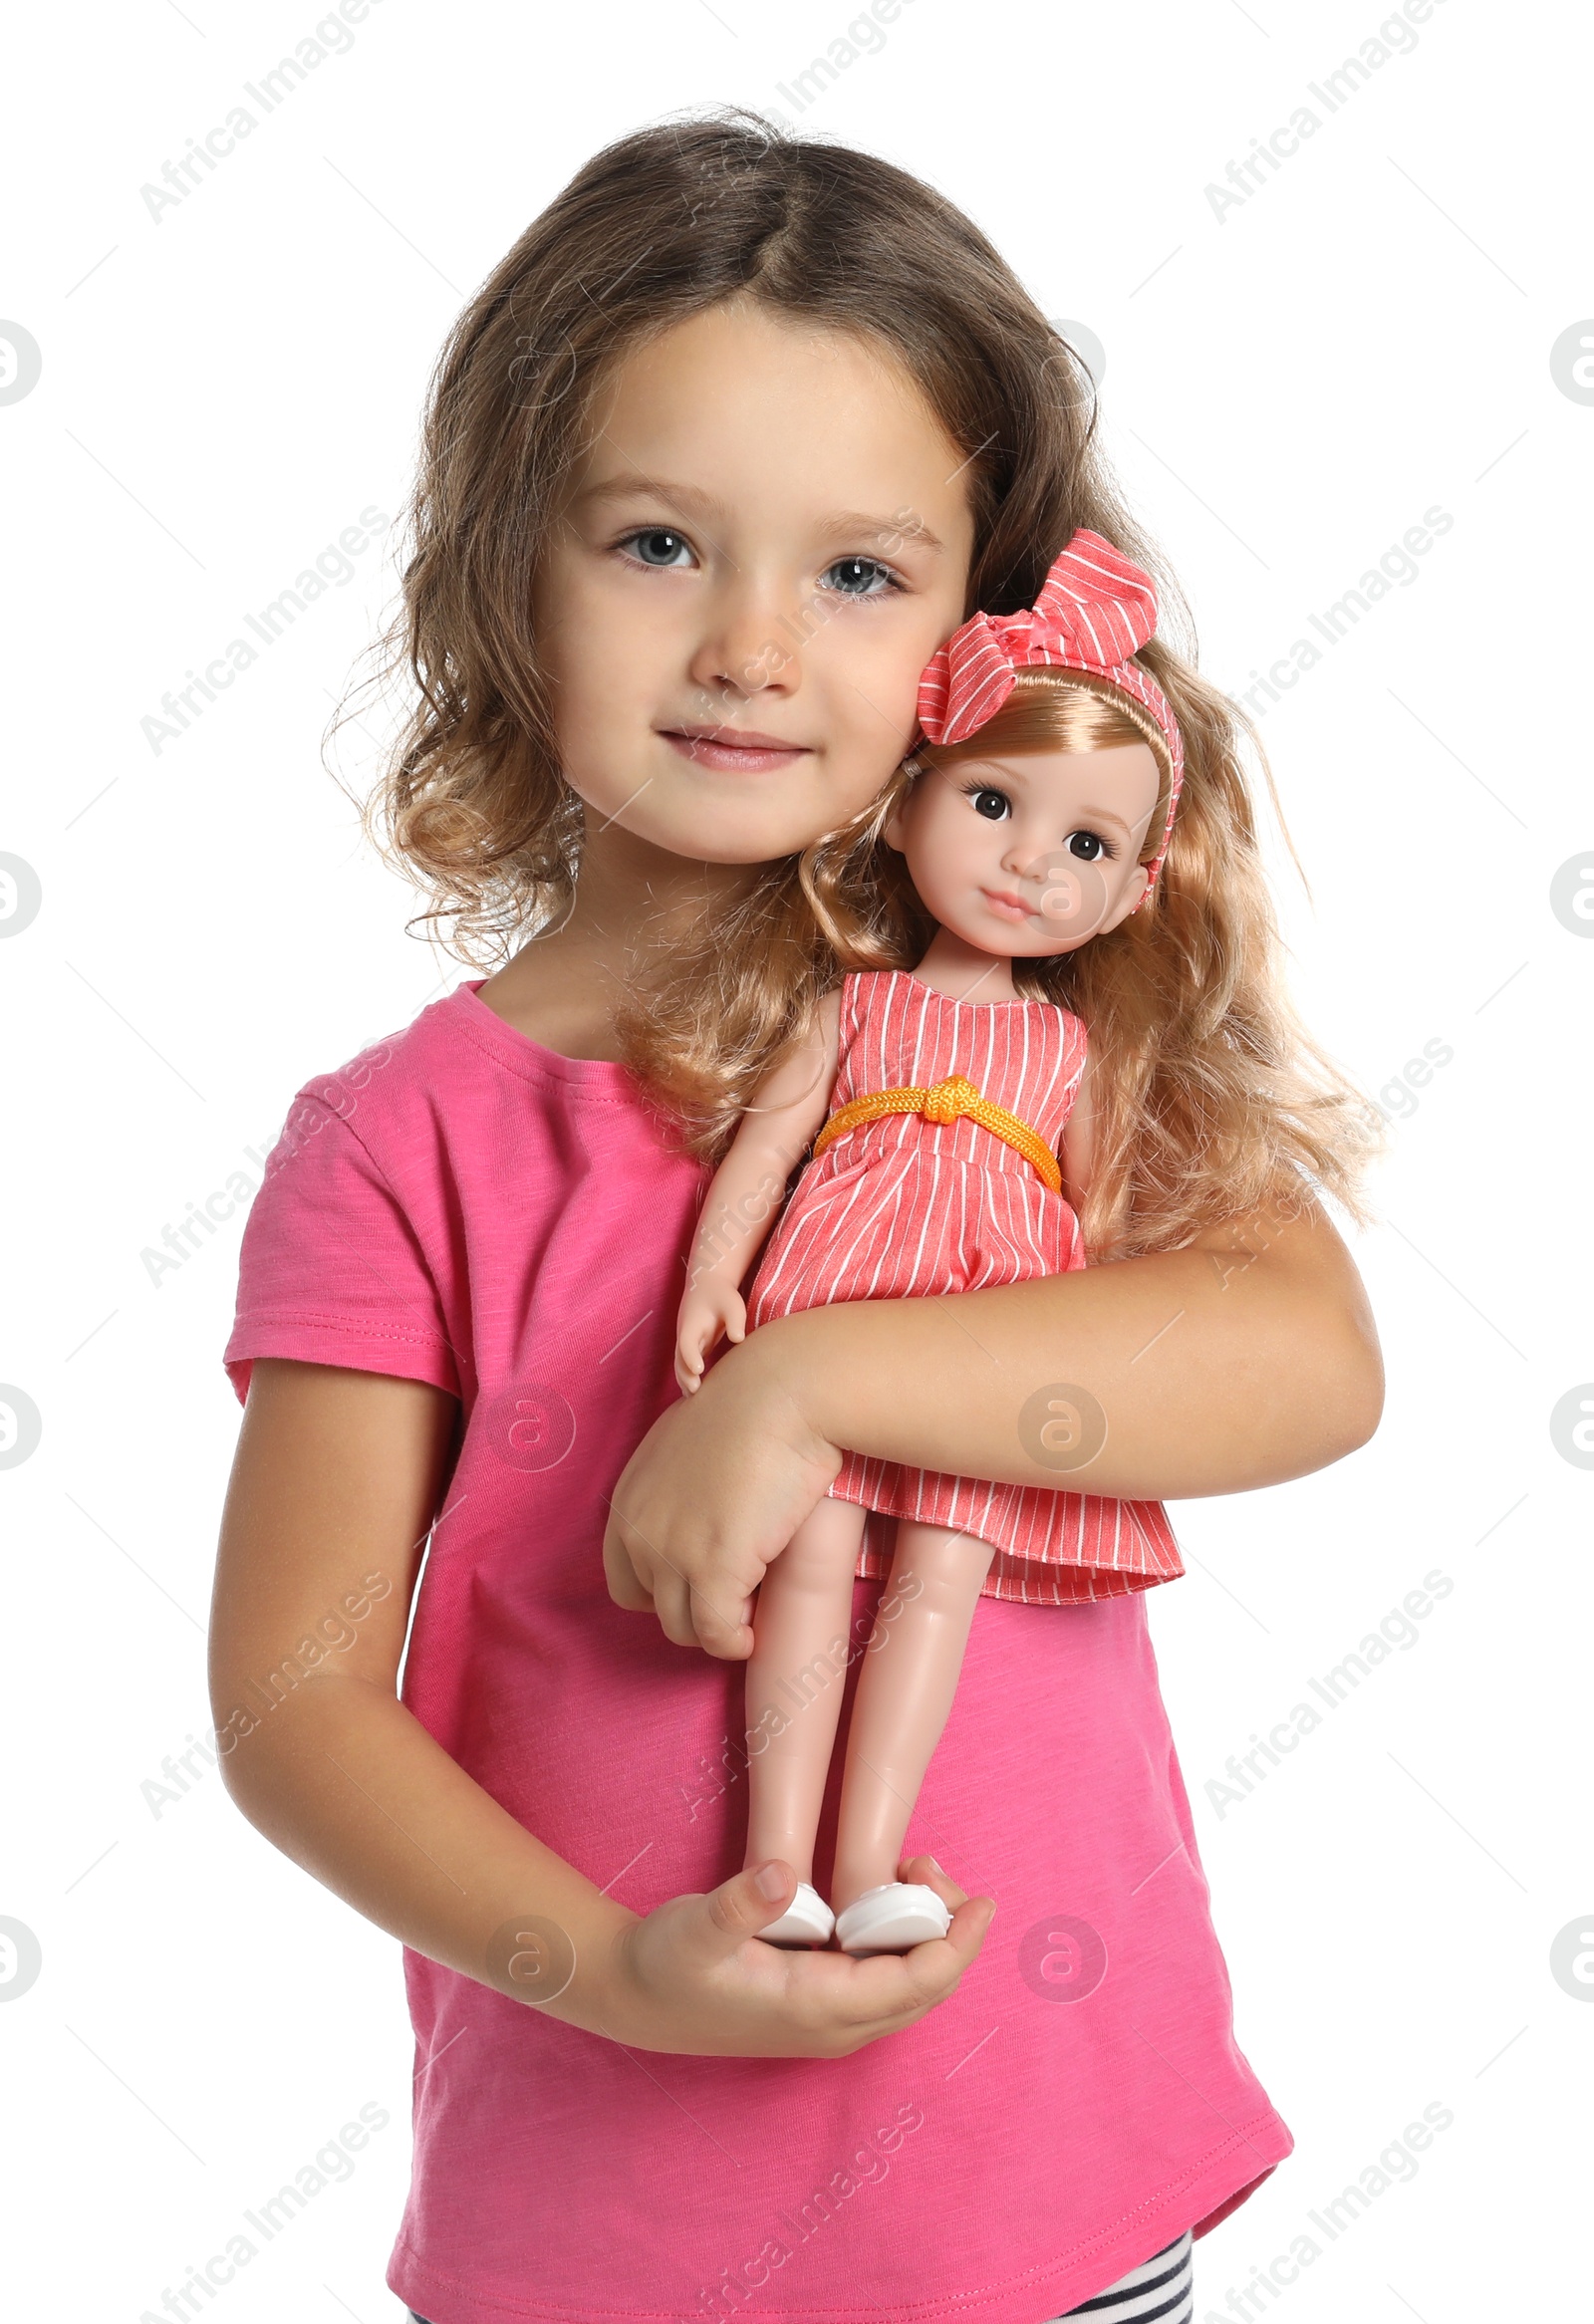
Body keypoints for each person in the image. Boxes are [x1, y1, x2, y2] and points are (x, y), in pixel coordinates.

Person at [210, 114, 1384, 2324]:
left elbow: (1304, 1360)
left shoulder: (1034, 1047)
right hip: (600, 2227)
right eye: (658, 543)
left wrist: (808, 1379)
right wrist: (623, 1974)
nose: (753, 647)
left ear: (984, 632)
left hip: (1034, 2191)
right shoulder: (404, 1141)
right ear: (502, 570)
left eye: (856, 575)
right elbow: (291, 1700)